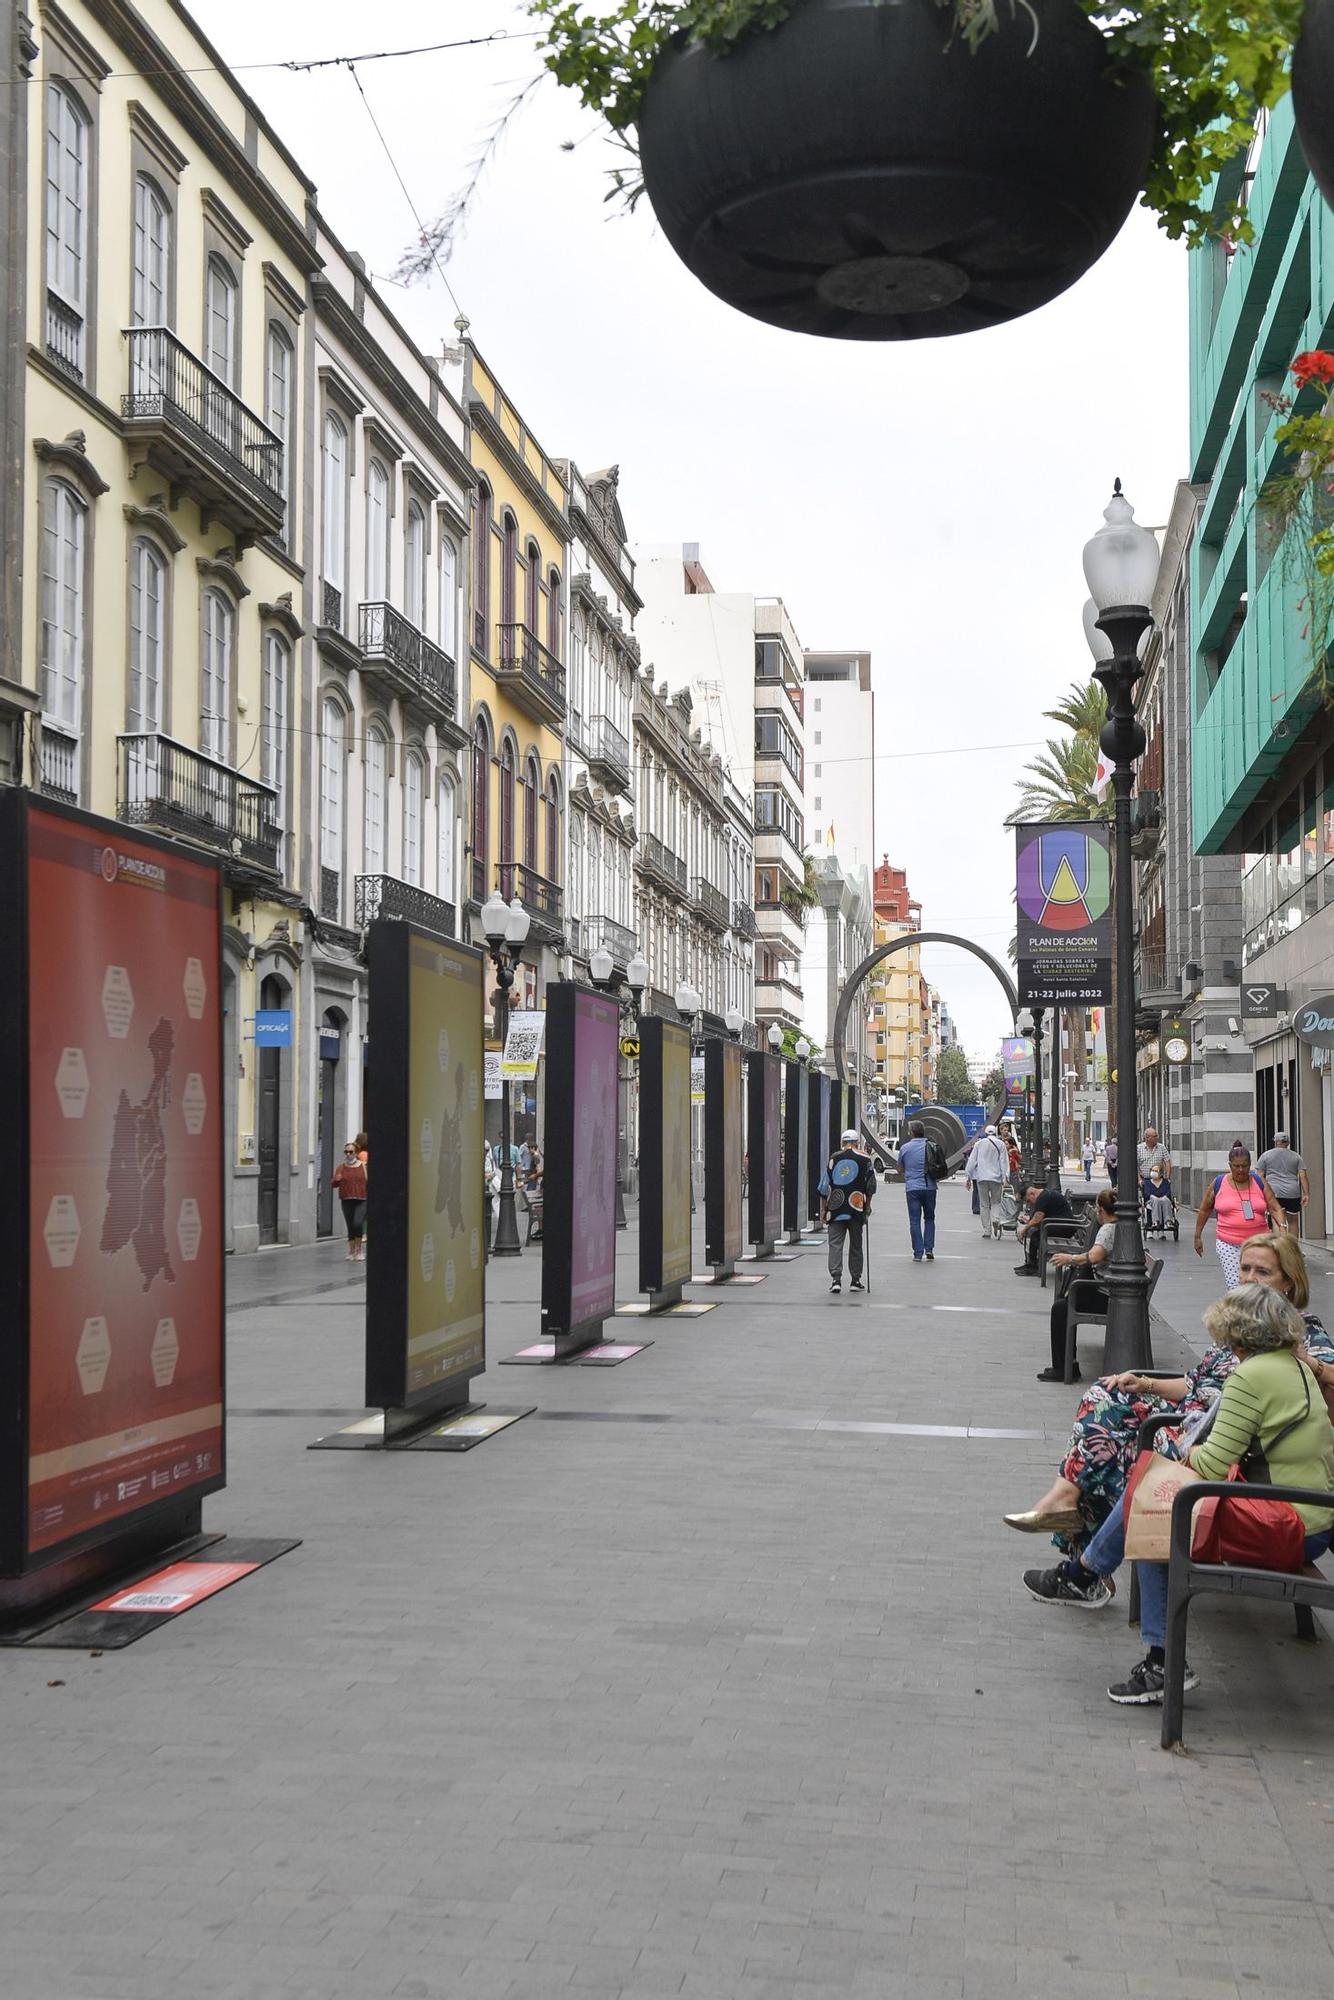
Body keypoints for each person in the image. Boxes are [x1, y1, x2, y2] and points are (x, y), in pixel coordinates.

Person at [1023, 1282, 1334, 1706]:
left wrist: (1163, 1463)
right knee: (1151, 1489)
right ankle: (1088, 1578)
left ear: (1238, 1332)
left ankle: (1151, 1649)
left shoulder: (1253, 1376)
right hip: (1308, 1516)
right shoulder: (1291, 1367)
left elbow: (1209, 1465)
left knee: (1157, 1506)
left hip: (1289, 1527)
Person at [1004, 1231, 1334, 1549]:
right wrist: (1145, 1383)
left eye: (1263, 1272)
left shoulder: (1298, 1332)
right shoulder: (1241, 1323)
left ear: (1289, 1282)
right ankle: (1068, 1510)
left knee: (1113, 1451)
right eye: (1245, 1268)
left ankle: (1080, 1551)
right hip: (1187, 1419)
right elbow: (1195, 1382)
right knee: (1104, 1394)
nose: (1249, 1278)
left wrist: (1311, 1363)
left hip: (1218, 1441)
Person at [1038, 1187, 1116, 1381]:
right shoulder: (1123, 1224)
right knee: (1064, 1301)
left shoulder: (1108, 1229)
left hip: (1107, 1295)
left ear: (1100, 1210)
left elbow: (1095, 1255)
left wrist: (1070, 1258)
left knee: (1060, 1309)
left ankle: (1063, 1368)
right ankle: (1068, 1364)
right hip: (1112, 1290)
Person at [1194, 1140, 1286, 1285]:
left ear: (1250, 1165)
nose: (1241, 1170)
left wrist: (1282, 1228)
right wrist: (1197, 1236)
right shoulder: (1218, 1183)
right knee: (1236, 1286)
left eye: (1245, 1166)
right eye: (1236, 1166)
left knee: (1261, 1284)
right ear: (1230, 1165)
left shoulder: (1259, 1181)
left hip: (1260, 1242)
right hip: (1229, 1244)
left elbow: (1275, 1207)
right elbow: (1205, 1210)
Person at [819, 1128, 876, 1294]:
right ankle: (855, 1280)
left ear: (842, 1143)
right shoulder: (865, 1159)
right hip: (856, 1207)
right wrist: (868, 1206)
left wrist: (824, 1209)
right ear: (857, 1143)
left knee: (835, 1244)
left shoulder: (834, 1158)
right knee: (856, 1244)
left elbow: (824, 1186)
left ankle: (836, 1280)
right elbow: (871, 1186)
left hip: (835, 1209)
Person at [1013, 1182, 1075, 1275]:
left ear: (1032, 1194)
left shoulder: (1043, 1197)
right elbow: (1039, 1216)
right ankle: (1030, 1263)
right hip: (1060, 1225)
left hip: (1064, 1228)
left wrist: (1024, 1229)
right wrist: (1029, 1221)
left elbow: (1038, 1218)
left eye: (1028, 1201)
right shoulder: (1044, 1195)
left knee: (1035, 1236)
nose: (1029, 1204)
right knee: (1033, 1232)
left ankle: (1033, 1266)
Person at [897, 1120, 936, 1263]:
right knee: (930, 1218)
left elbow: (899, 1168)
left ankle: (918, 1253)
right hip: (930, 1187)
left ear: (912, 1132)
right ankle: (929, 1249)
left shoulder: (905, 1148)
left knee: (914, 1220)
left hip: (913, 1188)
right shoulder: (930, 1146)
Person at [1256, 1130, 1310, 1230]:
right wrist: (1306, 1194)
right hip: (1292, 1193)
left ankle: (1279, 1244)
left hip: (1273, 1192)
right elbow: (1303, 1176)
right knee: (1293, 1221)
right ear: (1288, 1143)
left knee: (1277, 1220)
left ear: (1276, 1142)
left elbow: (1260, 1176)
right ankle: (1292, 1245)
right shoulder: (1297, 1156)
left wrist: (1260, 1193)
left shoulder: (1265, 1155)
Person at [965, 1124, 1009, 1241]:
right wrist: (1005, 1177)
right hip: (996, 1178)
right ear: (995, 1132)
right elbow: (1004, 1162)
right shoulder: (1001, 1144)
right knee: (996, 1202)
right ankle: (996, 1219)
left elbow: (972, 1161)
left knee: (984, 1204)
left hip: (982, 1177)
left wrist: (968, 1177)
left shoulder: (979, 1144)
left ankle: (987, 1230)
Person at [332, 1141, 368, 1261]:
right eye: (346, 1152)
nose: (348, 1154)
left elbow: (368, 1181)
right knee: (350, 1225)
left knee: (357, 1223)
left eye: (351, 1152)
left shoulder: (363, 1166)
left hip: (361, 1199)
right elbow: (334, 1184)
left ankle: (359, 1250)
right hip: (346, 1199)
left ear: (356, 1153)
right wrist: (336, 1180)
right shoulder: (341, 1167)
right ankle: (351, 1250)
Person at [1142, 1159, 1174, 1238]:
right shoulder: (1147, 1182)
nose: (1153, 1172)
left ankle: (1168, 1222)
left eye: (1156, 1171)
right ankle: (1155, 1222)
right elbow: (1146, 1193)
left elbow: (1168, 1192)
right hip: (1151, 1201)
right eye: (1152, 1170)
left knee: (1165, 1200)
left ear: (1160, 1173)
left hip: (1163, 1200)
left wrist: (1164, 1197)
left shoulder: (1165, 1182)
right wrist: (1153, 1196)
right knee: (1156, 1200)